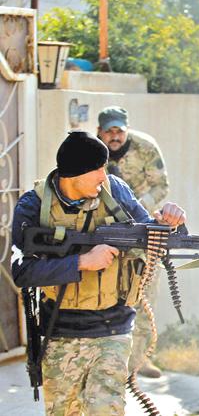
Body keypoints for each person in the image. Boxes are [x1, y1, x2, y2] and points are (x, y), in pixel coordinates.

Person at [11, 131, 186, 415]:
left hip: (114, 329)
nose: (104, 176)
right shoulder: (33, 206)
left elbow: (150, 235)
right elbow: (21, 272)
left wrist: (170, 223)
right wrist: (81, 263)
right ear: (74, 174)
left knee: (107, 409)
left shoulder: (115, 190)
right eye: (97, 169)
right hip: (62, 331)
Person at [96, 106, 170, 379]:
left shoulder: (145, 147)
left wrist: (136, 209)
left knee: (144, 292)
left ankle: (139, 360)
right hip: (104, 232)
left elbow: (161, 186)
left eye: (119, 131)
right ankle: (108, 357)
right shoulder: (92, 151)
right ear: (99, 131)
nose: (115, 137)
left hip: (142, 230)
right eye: (109, 131)